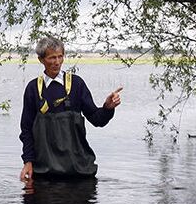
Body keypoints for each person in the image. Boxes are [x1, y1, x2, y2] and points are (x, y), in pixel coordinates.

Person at [18, 37, 120, 183]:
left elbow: (97, 120)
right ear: (41, 59)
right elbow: (26, 130)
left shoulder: (77, 84)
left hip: (79, 170)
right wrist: (28, 162)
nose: (57, 62)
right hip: (44, 172)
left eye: (60, 56)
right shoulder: (33, 89)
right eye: (52, 57)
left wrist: (108, 108)